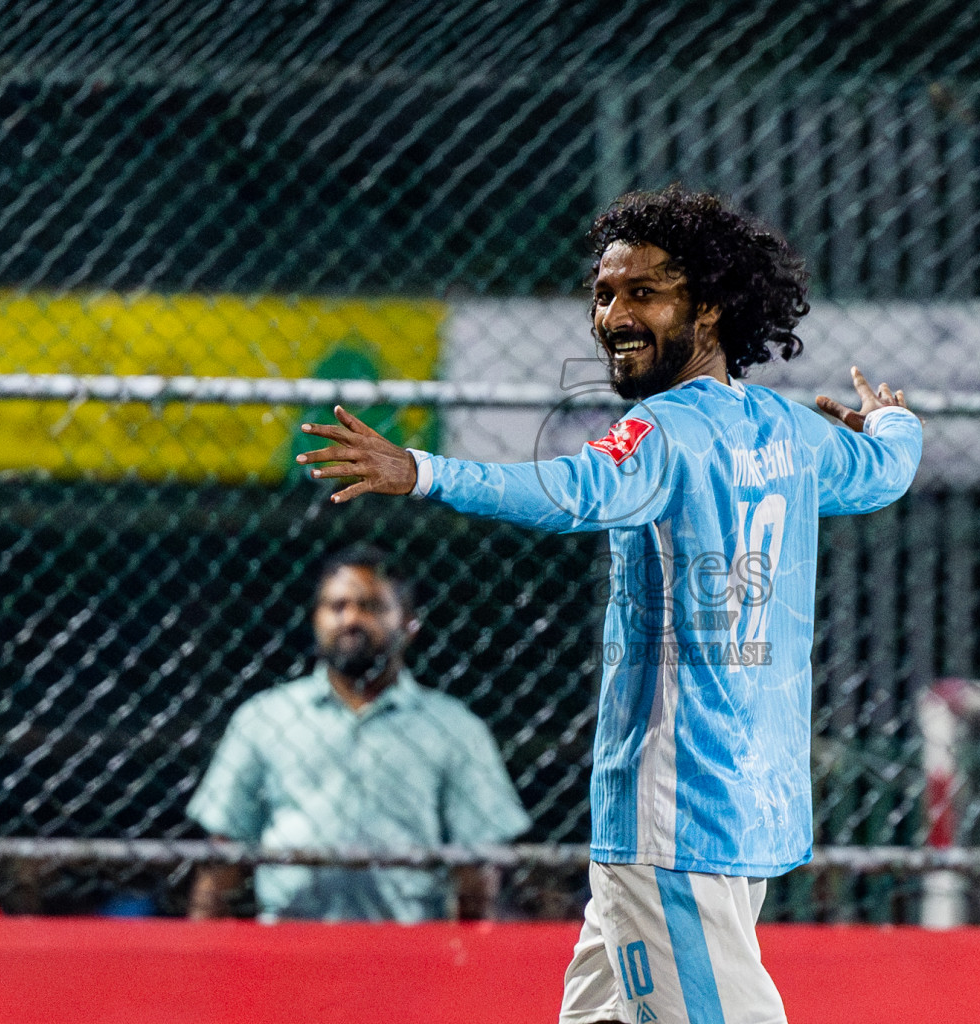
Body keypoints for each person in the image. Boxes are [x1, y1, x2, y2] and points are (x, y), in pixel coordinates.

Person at [296, 187, 921, 1023]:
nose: (612, 313)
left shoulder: (661, 431)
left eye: (643, 291)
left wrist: (425, 469)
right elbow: (885, 472)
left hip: (675, 815)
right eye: (602, 293)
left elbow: (570, 491)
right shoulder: (791, 432)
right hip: (745, 813)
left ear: (712, 307)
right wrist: (892, 422)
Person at [186, 544, 531, 922]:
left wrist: (466, 966)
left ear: (409, 623)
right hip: (289, 942)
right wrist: (200, 963)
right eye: (336, 606)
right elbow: (222, 857)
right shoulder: (264, 718)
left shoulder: (454, 728)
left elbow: (476, 873)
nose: (350, 618)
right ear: (316, 618)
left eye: (371, 606)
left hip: (408, 951)